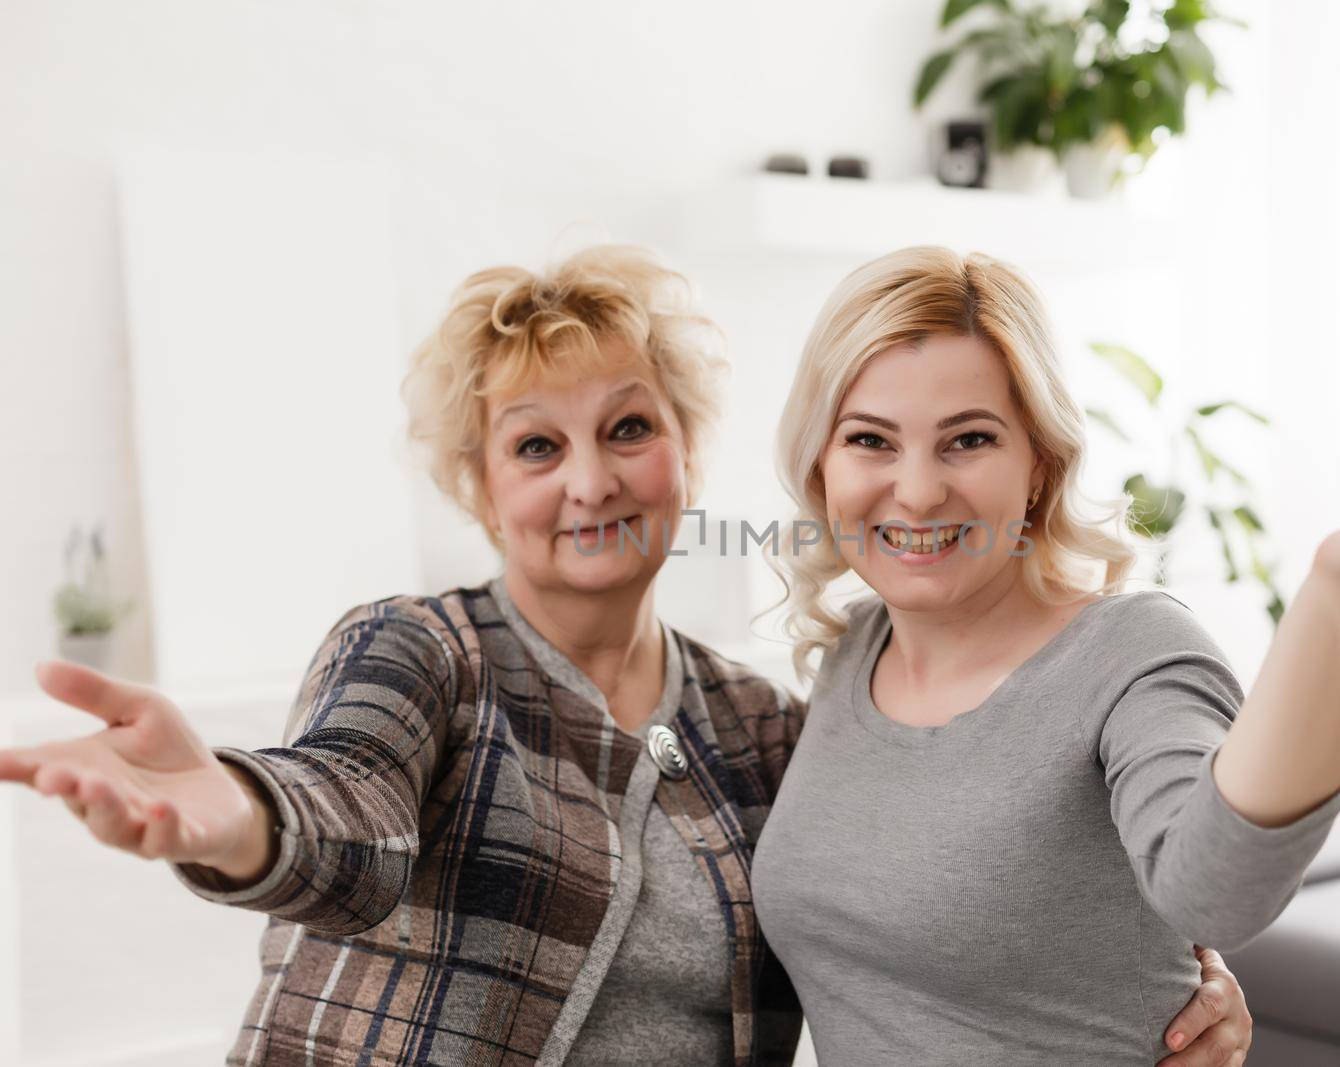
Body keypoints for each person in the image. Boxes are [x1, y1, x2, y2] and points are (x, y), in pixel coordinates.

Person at [0, 246, 1254, 1066]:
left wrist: (1165, 977)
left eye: (628, 427)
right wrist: (234, 814)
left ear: (688, 453)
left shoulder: (765, 723)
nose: (590, 478)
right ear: (480, 486)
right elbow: (348, 813)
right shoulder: (424, 651)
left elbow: (922, 892)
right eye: (534, 446)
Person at [750, 245, 1340, 1066]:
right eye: (871, 439)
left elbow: (1216, 891)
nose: (920, 487)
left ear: (1039, 464)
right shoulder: (853, 652)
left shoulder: (1130, 652)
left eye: (969, 439)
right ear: (821, 460)